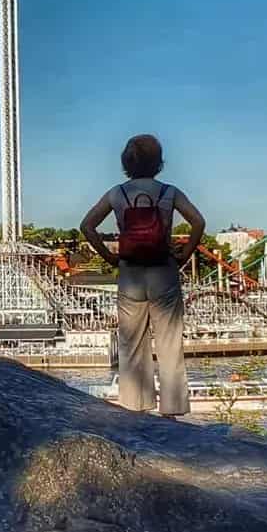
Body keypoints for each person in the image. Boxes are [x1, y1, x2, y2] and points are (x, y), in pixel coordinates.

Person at [79, 134, 205, 419]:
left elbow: (87, 226)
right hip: (164, 271)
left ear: (126, 163)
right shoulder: (169, 192)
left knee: (131, 343)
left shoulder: (117, 194)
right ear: (159, 162)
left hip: (130, 273)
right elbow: (199, 221)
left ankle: (136, 410)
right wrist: (185, 254)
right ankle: (172, 412)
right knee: (170, 343)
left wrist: (108, 256)